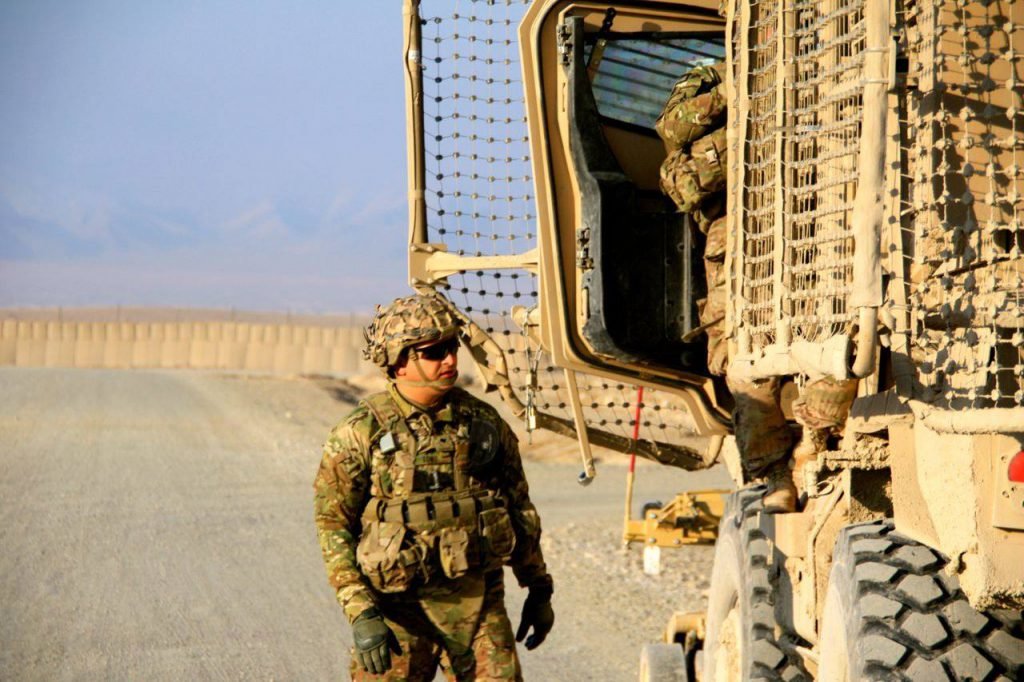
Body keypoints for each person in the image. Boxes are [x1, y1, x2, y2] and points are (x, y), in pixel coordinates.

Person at [313, 293, 554, 681]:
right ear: (399, 359)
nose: (450, 360)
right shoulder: (361, 432)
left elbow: (518, 508)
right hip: (398, 612)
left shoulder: (481, 423)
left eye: (452, 347)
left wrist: (539, 587)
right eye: (434, 351)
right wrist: (361, 612)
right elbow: (333, 527)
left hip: (478, 605)